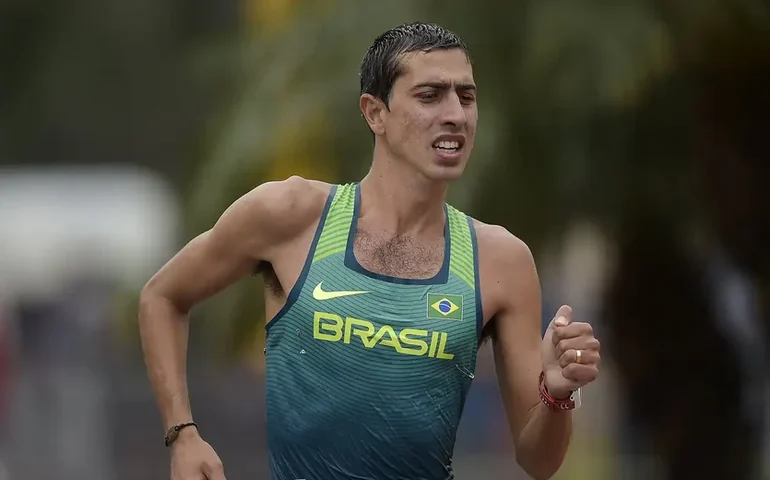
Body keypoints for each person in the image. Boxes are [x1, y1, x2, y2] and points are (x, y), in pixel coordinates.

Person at [138, 21, 601, 480]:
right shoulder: (291, 215)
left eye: (466, 96)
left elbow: (539, 461)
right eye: (430, 95)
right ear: (374, 112)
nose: (456, 115)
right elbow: (161, 297)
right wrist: (182, 435)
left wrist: (557, 395)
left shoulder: (501, 261)